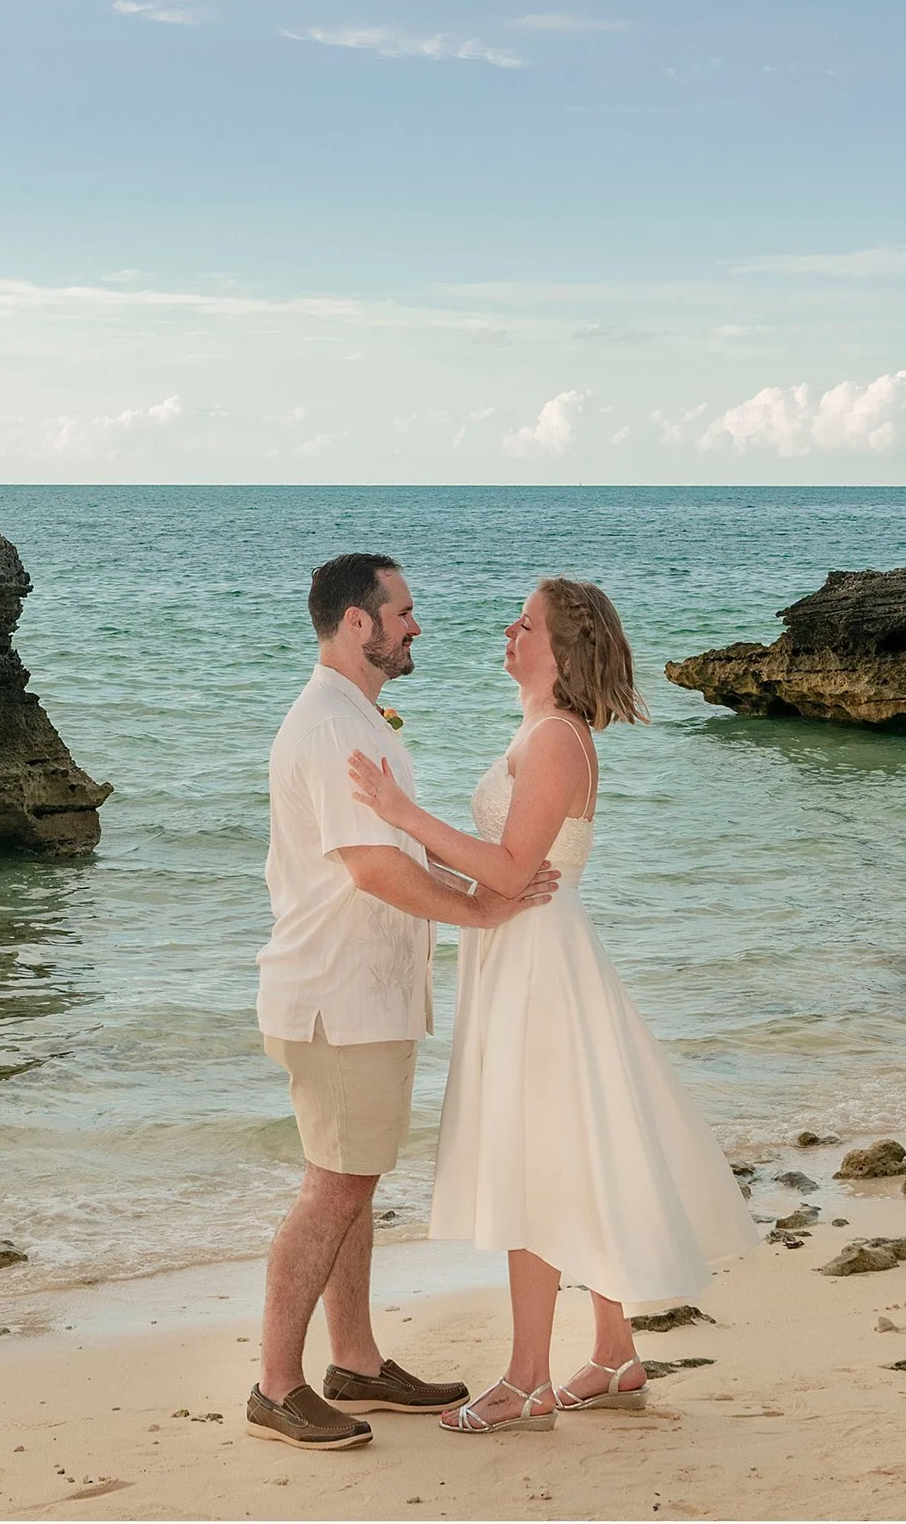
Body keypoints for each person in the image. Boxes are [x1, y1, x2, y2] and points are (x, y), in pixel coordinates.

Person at [347, 577, 756, 1433]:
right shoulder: (537, 731)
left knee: (534, 1158)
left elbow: (509, 869)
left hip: (539, 964)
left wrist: (399, 812)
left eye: (524, 623)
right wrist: (435, 873)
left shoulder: (560, 739)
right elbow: (499, 870)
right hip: (517, 951)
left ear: (562, 649)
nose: (508, 629)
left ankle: (527, 1379)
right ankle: (613, 1353)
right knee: (571, 1150)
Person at [246, 553, 558, 1453]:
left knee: (351, 1180)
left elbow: (396, 849)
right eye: (404, 611)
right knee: (332, 1187)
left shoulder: (353, 716)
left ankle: (355, 1361)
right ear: (357, 622)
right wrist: (480, 909)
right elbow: (373, 866)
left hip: (362, 996)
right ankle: (276, 1386)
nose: (416, 625)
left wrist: (480, 888)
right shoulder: (328, 726)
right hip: (337, 999)